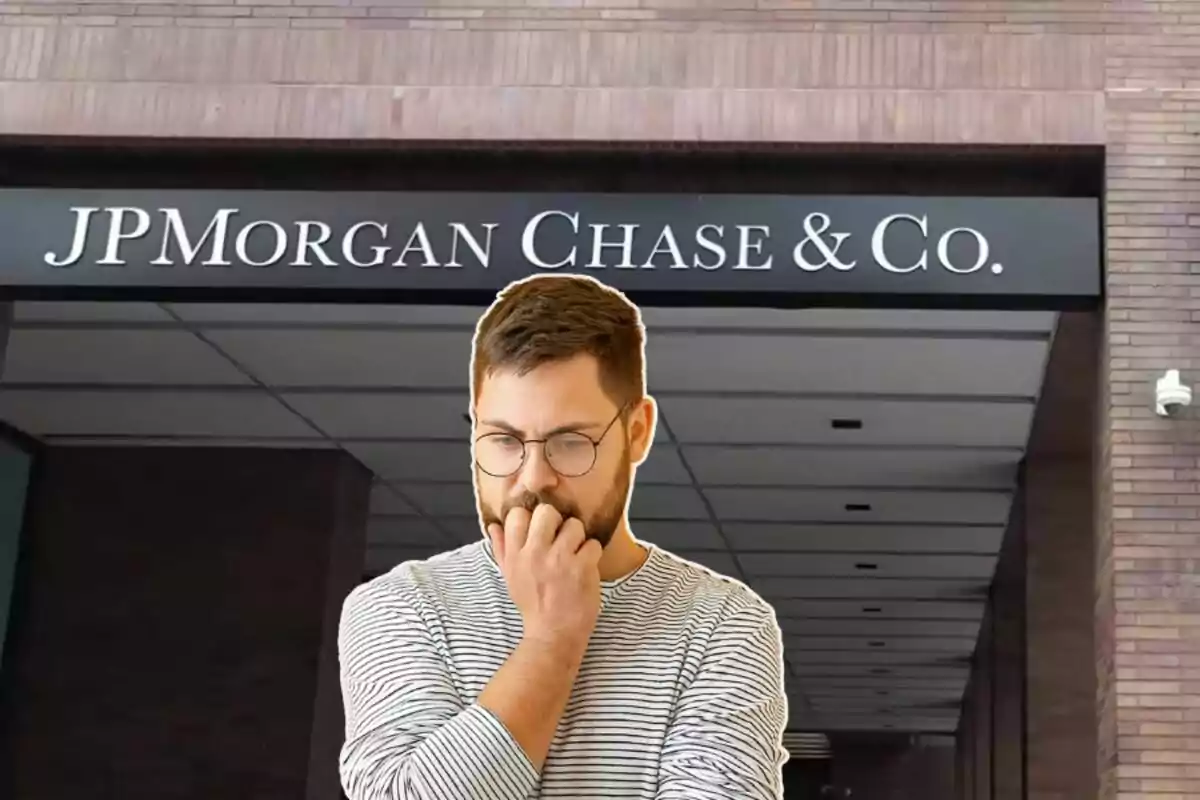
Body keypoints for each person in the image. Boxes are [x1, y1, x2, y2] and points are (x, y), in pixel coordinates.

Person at [337, 273, 790, 799]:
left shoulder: (723, 623)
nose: (532, 478)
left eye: (570, 442)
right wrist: (550, 642)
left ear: (637, 432)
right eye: (503, 439)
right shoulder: (400, 604)